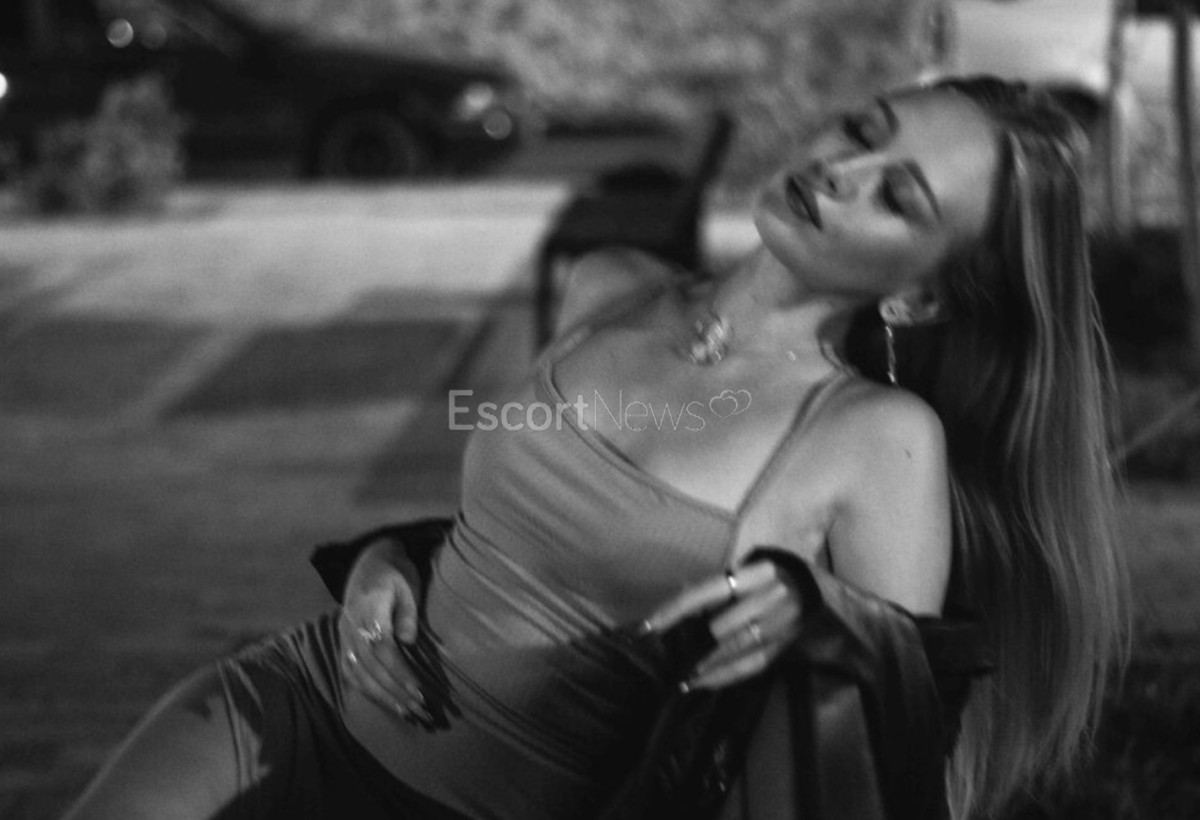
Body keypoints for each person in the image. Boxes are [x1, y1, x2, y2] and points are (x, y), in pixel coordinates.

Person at [63, 76, 1127, 820]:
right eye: (862, 128)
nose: (843, 170)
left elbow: (898, 744)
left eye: (898, 194)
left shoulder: (875, 440)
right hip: (300, 702)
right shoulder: (609, 285)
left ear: (920, 294)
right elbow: (524, 528)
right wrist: (388, 561)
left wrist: (822, 621)